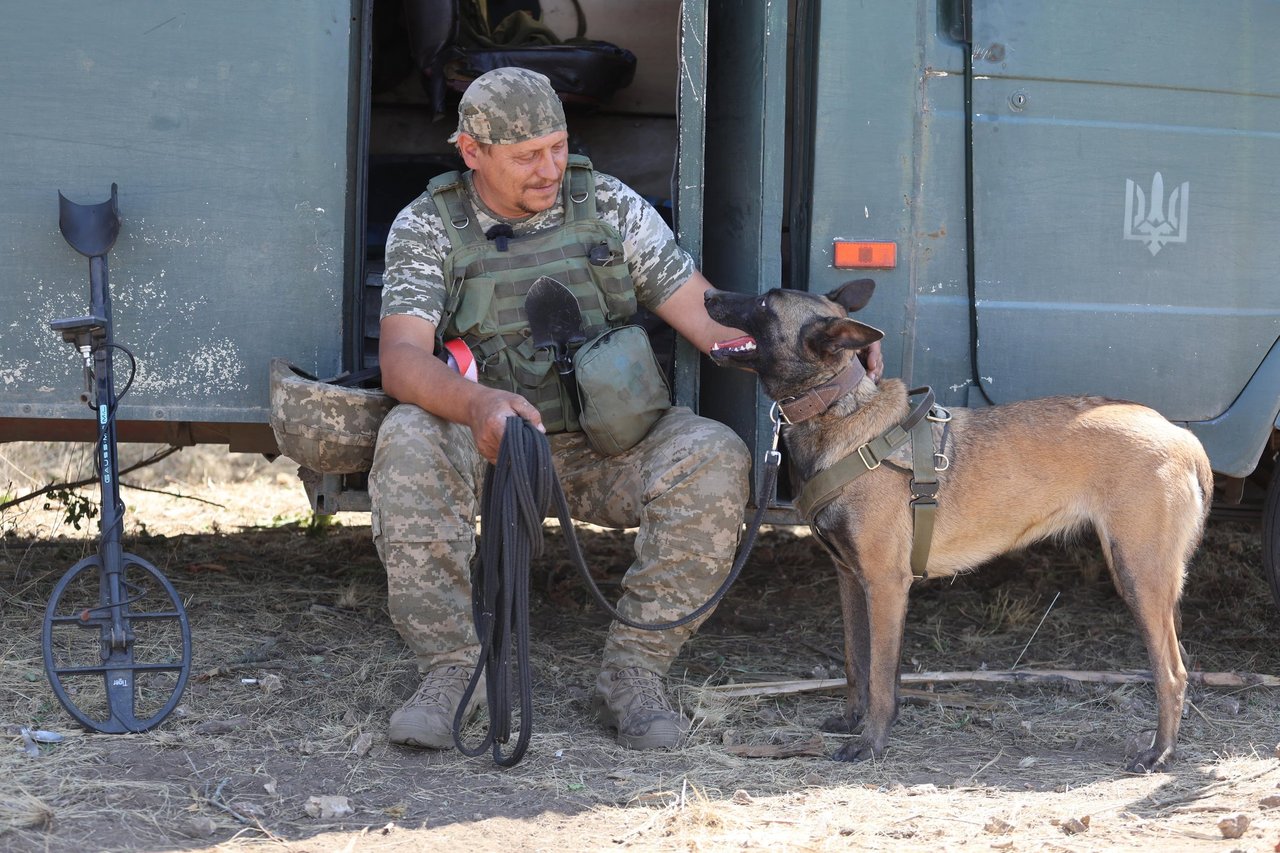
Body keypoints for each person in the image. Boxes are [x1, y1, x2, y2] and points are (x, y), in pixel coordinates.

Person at [370, 67, 881, 752]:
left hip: (604, 443)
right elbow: (403, 359)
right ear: (472, 152)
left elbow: (705, 317)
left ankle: (634, 675)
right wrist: (479, 404)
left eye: (558, 146)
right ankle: (450, 672)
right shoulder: (428, 226)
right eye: (527, 155)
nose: (550, 167)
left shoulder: (607, 205)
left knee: (712, 455)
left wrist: (833, 353)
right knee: (406, 435)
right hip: (489, 441)